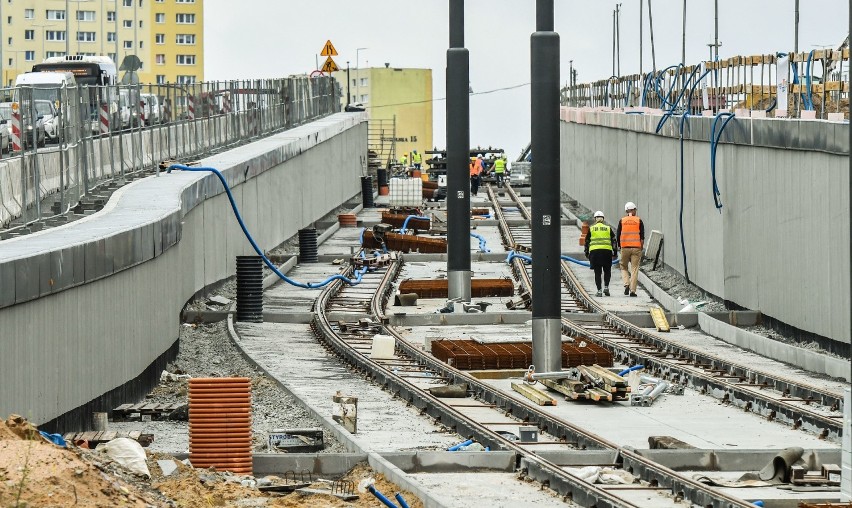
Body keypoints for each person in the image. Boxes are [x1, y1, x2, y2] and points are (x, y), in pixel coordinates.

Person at [584, 210, 617, 297]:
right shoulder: (608, 228)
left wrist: (587, 252)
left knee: (597, 272)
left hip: (595, 253)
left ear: (595, 219)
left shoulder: (591, 228)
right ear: (603, 219)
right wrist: (615, 252)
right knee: (607, 270)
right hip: (607, 252)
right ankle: (606, 287)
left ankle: (599, 291)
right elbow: (614, 240)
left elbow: (587, 241)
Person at [617, 201, 645, 297]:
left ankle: (626, 284)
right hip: (636, 248)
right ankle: (633, 291)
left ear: (626, 211)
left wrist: (619, 246)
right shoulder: (639, 221)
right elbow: (642, 236)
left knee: (623, 267)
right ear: (633, 210)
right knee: (634, 269)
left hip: (625, 248)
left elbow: (618, 235)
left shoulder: (622, 221)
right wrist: (641, 247)